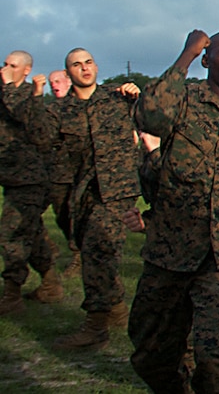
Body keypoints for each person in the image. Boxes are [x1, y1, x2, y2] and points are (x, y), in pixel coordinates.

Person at [128, 28, 219, 393]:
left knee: (216, 359)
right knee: (151, 354)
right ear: (206, 58)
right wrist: (186, 55)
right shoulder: (183, 101)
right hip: (171, 247)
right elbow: (149, 117)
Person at [21, 48, 141, 350]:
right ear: (68, 72)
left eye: (88, 62)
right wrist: (36, 97)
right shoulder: (60, 111)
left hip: (117, 191)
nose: (84, 68)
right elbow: (40, 138)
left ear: (96, 67)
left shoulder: (118, 100)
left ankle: (95, 327)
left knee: (98, 250)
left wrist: (136, 95)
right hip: (82, 191)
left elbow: (152, 116)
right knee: (94, 255)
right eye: (77, 64)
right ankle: (116, 311)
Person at [0, 51, 62, 314]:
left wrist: (8, 88)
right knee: (32, 233)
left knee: (10, 234)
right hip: (12, 177)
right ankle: (50, 284)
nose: (4, 69)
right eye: (4, 64)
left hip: (30, 179)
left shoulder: (28, 96)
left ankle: (11, 295)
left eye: (12, 65)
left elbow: (28, 120)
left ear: (26, 70)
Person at [46, 69, 81, 278]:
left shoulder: (81, 106)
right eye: (51, 82)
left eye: (58, 81)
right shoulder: (52, 109)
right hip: (58, 173)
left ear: (69, 81)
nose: (54, 85)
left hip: (79, 171)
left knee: (77, 214)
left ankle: (79, 255)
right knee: (61, 216)